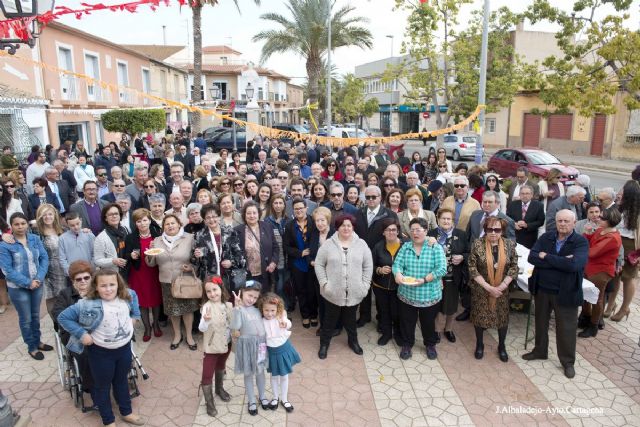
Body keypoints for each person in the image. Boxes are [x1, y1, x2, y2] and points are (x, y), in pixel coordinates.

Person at [57, 269, 144, 426]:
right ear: (96, 286)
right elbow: (63, 317)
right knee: (102, 386)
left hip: (123, 349)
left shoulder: (127, 295)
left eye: (112, 284)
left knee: (121, 381)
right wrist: (82, 334)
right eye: (103, 286)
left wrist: (135, 317)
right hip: (101, 353)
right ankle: (108, 420)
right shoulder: (86, 304)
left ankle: (126, 412)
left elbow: (135, 299)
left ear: (119, 284)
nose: (108, 289)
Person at [525, 209, 589, 379]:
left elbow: (574, 265)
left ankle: (567, 362)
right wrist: (561, 261)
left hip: (566, 292)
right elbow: (532, 257)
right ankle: (540, 351)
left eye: (566, 221)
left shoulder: (580, 242)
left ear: (574, 223)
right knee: (540, 323)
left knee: (566, 329)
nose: (562, 224)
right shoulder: (547, 237)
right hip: (543, 289)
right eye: (560, 221)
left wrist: (546, 257)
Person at [315, 214, 373, 359]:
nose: (346, 228)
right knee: (329, 320)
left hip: (354, 291)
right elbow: (319, 264)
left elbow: (368, 266)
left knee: (351, 320)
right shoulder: (328, 244)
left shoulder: (362, 244)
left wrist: (365, 285)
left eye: (349, 225)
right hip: (332, 291)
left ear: (353, 227)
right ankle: (324, 344)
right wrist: (324, 283)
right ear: (338, 227)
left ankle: (353, 341)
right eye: (343, 225)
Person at [392, 217, 447, 360]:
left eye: (418, 230)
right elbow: (397, 264)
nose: (415, 233)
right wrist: (397, 273)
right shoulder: (405, 247)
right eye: (412, 230)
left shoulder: (435, 247)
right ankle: (407, 344)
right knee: (407, 322)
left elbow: (442, 269)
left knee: (428, 322)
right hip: (407, 293)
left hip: (428, 294)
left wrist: (424, 280)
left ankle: (430, 345)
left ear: (426, 231)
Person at [0, 212, 50, 360]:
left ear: (27, 224)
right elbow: (7, 270)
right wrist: (28, 283)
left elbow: (44, 257)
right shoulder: (5, 245)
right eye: (16, 224)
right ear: (11, 226)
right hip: (18, 288)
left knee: (35, 316)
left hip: (37, 284)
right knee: (26, 318)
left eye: (23, 223)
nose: (20, 226)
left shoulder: (34, 239)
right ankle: (32, 346)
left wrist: (39, 278)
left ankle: (38, 341)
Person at [468, 216, 518, 362]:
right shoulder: (477, 244)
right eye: (490, 229)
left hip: (502, 290)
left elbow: (514, 266)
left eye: (497, 230)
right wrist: (488, 287)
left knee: (502, 318)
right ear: (485, 230)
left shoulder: (509, 244)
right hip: (481, 288)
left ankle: (501, 346)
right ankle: (479, 344)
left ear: (502, 231)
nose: (493, 233)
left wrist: (502, 286)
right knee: (479, 317)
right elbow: (472, 268)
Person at [146, 214, 200, 351]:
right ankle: (177, 335)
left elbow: (197, 259)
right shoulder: (157, 241)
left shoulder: (190, 238)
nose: (170, 226)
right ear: (163, 227)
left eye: (173, 223)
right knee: (173, 311)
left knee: (188, 310)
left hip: (185, 281)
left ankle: (189, 336)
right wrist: (148, 254)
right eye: (167, 224)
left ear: (179, 225)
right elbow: (151, 264)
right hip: (166, 281)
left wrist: (192, 267)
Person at [50, 260, 95, 405]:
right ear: (72, 281)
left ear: (91, 277)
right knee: (86, 353)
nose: (83, 281)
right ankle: (93, 389)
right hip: (73, 333)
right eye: (78, 279)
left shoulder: (99, 290)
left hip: (96, 330)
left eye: (86, 278)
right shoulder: (65, 294)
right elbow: (57, 314)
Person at [578, 208, 622, 338]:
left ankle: (593, 326)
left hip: (601, 271)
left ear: (610, 221)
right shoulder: (600, 230)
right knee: (586, 294)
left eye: (602, 218)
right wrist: (586, 233)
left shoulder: (613, 237)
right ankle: (585, 318)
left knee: (597, 299)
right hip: (590, 267)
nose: (598, 218)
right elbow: (591, 240)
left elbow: (592, 252)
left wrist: (583, 242)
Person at [428, 208, 469, 344]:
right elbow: (425, 254)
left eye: (449, 219)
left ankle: (449, 329)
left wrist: (462, 257)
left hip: (454, 276)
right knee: (437, 306)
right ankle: (437, 330)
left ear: (453, 221)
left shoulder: (461, 235)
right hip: (436, 278)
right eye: (443, 218)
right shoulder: (431, 234)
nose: (446, 221)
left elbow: (469, 252)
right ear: (438, 220)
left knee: (451, 305)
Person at [123, 208, 162, 342]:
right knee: (142, 301)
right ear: (135, 223)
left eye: (144, 220)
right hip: (138, 273)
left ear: (150, 221)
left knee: (156, 300)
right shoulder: (131, 237)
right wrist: (131, 255)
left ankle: (155, 323)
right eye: (138, 221)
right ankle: (147, 327)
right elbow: (125, 255)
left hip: (154, 272)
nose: (142, 223)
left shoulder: (157, 234)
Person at [230, 280, 268, 416]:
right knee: (248, 373)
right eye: (249, 295)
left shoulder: (258, 309)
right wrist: (237, 308)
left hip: (260, 345)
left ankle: (262, 396)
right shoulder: (238, 310)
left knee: (260, 372)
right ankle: (251, 400)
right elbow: (235, 326)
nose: (252, 299)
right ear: (242, 292)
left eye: (255, 297)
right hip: (246, 346)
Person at [259, 292, 300, 413]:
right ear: (262, 309)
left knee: (284, 375)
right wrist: (261, 355)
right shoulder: (261, 321)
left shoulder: (281, 316)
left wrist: (285, 324)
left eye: (272, 310)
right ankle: (275, 398)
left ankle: (284, 399)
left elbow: (289, 324)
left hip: (283, 349)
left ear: (277, 309)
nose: (269, 313)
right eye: (266, 310)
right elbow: (261, 339)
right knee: (274, 376)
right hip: (271, 352)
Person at [198, 277, 233, 417]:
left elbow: (233, 323)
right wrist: (205, 321)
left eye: (215, 289)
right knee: (207, 373)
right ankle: (209, 402)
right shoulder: (206, 307)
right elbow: (201, 328)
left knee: (221, 365)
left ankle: (219, 389)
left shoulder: (229, 305)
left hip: (227, 343)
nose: (212, 294)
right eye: (208, 291)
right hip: (211, 346)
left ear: (221, 289)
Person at [193, 204, 245, 293]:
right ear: (204, 220)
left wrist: (231, 262)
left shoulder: (229, 232)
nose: (212, 220)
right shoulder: (199, 235)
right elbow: (194, 261)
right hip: (209, 280)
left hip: (228, 278)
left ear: (219, 217)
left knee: (229, 304)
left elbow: (240, 256)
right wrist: (197, 256)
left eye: (214, 216)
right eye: (208, 217)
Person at [284, 198, 318, 329]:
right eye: (296, 208)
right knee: (301, 291)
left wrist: (309, 254)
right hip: (297, 263)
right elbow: (286, 247)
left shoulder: (314, 222)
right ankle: (305, 315)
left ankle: (314, 314)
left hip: (312, 263)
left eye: (301, 208)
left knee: (312, 291)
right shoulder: (289, 225)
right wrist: (300, 253)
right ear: (293, 210)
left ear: (306, 208)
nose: (299, 210)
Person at [609, 180, 640, 322]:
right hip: (616, 241)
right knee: (614, 275)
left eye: (623, 190)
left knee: (628, 278)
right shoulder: (620, 206)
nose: (620, 192)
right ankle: (610, 304)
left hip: (631, 246)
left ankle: (624, 308)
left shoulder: (637, 210)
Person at [371, 218, 405, 346]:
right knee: (384, 312)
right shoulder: (378, 247)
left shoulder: (405, 246)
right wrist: (379, 269)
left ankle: (397, 334)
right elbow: (370, 266)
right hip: (381, 286)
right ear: (383, 232)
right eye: (387, 230)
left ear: (398, 231)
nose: (391, 232)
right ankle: (386, 334)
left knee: (397, 312)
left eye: (393, 230)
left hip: (399, 287)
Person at [235, 201, 278, 290]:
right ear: (244, 215)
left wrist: (273, 262)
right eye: (249, 213)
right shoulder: (237, 231)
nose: (252, 216)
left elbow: (275, 247)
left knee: (263, 298)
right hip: (246, 273)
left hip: (265, 271)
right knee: (248, 299)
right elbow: (234, 252)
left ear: (259, 214)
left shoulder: (267, 227)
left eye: (254, 213)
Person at [33, 204, 67, 315]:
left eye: (50, 214)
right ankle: (56, 326)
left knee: (66, 295)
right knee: (52, 297)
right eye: (44, 215)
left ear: (54, 215)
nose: (47, 217)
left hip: (64, 267)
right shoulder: (37, 233)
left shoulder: (62, 229)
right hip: (48, 270)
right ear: (40, 217)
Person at [506, 185, 545, 249]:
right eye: (522, 193)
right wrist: (514, 224)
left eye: (527, 193)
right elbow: (507, 218)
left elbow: (541, 221)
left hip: (530, 238)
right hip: (514, 237)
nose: (525, 196)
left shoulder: (539, 206)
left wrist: (527, 225)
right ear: (519, 194)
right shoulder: (512, 204)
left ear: (532, 195)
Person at [93, 204, 129, 272]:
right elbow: (97, 260)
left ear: (120, 216)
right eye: (110, 214)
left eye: (116, 213)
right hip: (112, 273)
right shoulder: (101, 238)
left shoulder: (125, 230)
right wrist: (113, 261)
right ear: (105, 218)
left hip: (128, 270)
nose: (114, 216)